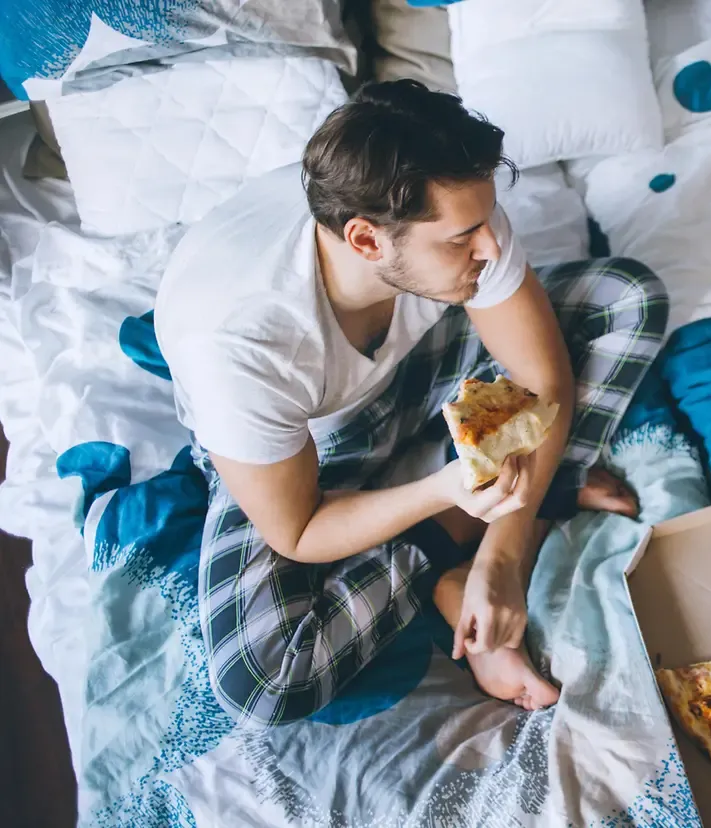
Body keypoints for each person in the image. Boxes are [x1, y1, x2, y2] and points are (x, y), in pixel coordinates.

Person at [155, 80, 668, 724]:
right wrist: (450, 490)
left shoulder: (449, 206)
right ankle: (467, 546)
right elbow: (301, 530)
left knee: (626, 294)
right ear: (367, 241)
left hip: (417, 368)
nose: (491, 246)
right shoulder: (237, 344)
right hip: (301, 446)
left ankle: (492, 540)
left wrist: (503, 557)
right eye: (461, 238)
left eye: (486, 222)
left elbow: (542, 387)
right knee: (267, 677)